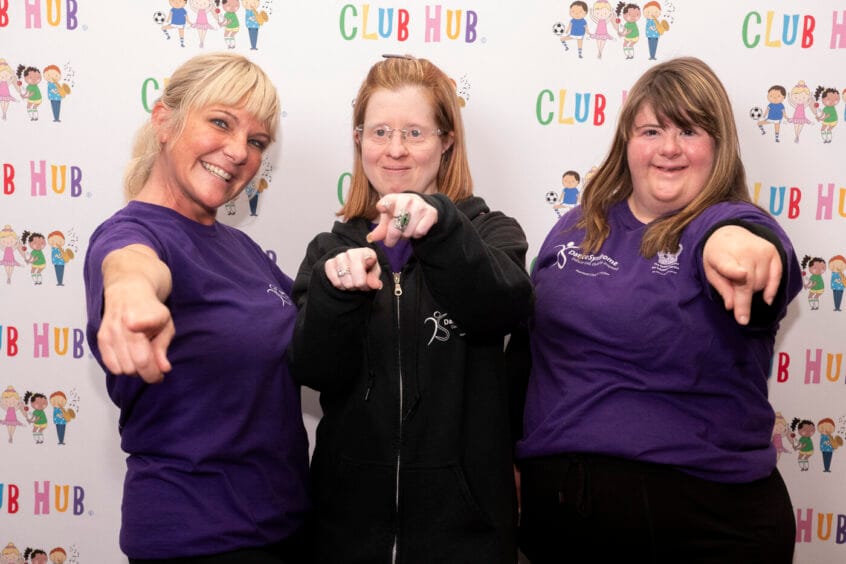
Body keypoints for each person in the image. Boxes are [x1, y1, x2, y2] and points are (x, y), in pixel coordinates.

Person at [517, 57, 801, 563]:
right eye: (651, 130)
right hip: (567, 518)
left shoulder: (725, 223)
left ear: (718, 145)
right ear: (627, 143)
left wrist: (742, 250)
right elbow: (528, 353)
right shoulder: (576, 226)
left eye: (689, 130)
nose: (669, 148)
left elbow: (750, 250)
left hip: (709, 522)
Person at [290, 54, 533, 564]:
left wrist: (441, 228)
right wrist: (336, 293)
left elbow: (502, 309)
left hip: (468, 537)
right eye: (379, 131)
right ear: (358, 140)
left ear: (446, 141)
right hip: (347, 536)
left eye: (415, 133)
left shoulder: (492, 234)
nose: (395, 151)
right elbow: (315, 370)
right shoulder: (328, 252)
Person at [83, 52, 309, 563]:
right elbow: (131, 265)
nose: (237, 152)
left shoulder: (241, 248)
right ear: (164, 120)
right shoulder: (132, 235)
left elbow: (316, 331)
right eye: (221, 122)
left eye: (255, 142)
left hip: (284, 529)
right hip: (197, 540)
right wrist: (129, 294)